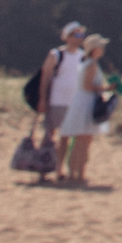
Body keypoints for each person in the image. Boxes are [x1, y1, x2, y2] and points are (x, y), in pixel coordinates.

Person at [32, 21, 87, 186]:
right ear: (67, 37)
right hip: (56, 101)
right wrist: (42, 99)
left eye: (81, 35)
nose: (79, 38)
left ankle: (59, 169)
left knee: (67, 138)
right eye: (76, 35)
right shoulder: (56, 55)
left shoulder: (82, 56)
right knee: (50, 136)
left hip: (74, 102)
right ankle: (43, 169)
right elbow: (45, 77)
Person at [56, 34, 113, 185]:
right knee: (83, 142)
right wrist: (107, 88)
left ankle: (76, 173)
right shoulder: (91, 64)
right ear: (95, 49)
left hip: (82, 103)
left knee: (81, 141)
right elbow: (87, 86)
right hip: (86, 104)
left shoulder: (87, 62)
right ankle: (77, 173)